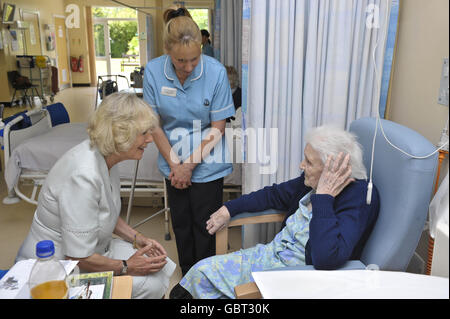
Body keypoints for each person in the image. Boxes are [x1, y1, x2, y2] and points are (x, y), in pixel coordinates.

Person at [170, 125, 380, 299]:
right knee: (196, 276)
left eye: (308, 162)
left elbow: (327, 258)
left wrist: (324, 197)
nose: (301, 165)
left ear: (331, 169)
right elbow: (273, 194)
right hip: (269, 256)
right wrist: (229, 208)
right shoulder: (310, 183)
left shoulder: (358, 197)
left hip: (296, 278)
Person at [16, 92, 175, 299]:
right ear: (120, 133)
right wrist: (127, 266)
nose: (150, 139)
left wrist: (139, 239)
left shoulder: (107, 156)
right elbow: (78, 256)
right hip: (58, 268)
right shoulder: (83, 176)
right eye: (144, 133)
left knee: (160, 264)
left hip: (92, 249)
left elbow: (105, 210)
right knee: (150, 284)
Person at [143, 7, 235, 276]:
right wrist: (176, 165)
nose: (189, 67)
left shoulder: (215, 72)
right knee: (181, 223)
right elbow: (153, 123)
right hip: (172, 160)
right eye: (181, 61)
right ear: (167, 50)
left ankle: (205, 281)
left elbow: (218, 126)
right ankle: (188, 276)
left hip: (207, 162)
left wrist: (189, 166)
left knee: (205, 225)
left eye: (194, 59)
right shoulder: (153, 71)